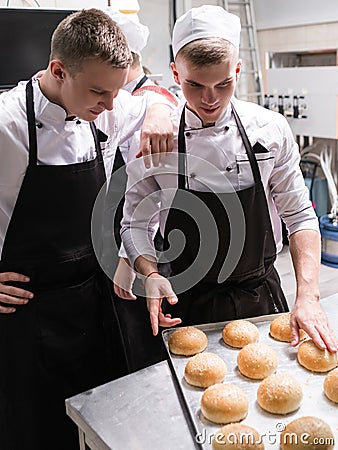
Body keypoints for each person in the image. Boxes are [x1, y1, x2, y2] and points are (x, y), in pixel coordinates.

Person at [0, 8, 174, 450]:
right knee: (38, 431)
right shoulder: (5, 125)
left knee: (105, 422)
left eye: (116, 92)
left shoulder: (106, 107)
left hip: (93, 303)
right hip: (28, 314)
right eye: (99, 91)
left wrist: (156, 106)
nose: (111, 106)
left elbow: (155, 98)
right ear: (58, 70)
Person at [121, 5, 338, 355]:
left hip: (260, 296)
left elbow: (299, 216)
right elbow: (134, 222)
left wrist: (308, 295)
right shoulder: (158, 139)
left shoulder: (269, 129)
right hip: (181, 302)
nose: (210, 99)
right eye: (195, 84)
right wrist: (149, 272)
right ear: (175, 74)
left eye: (224, 84)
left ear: (238, 70)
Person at [100, 10, 178, 372]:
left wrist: (127, 258)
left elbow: (150, 196)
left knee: (145, 346)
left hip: (144, 248)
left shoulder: (148, 109)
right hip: (125, 240)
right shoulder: (131, 102)